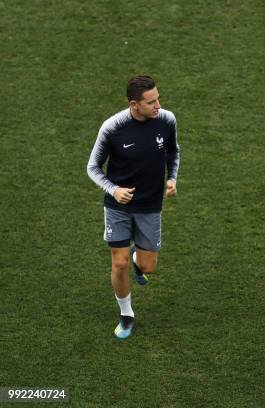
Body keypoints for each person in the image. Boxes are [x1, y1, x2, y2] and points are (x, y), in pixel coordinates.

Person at [87, 75, 180, 339]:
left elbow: (173, 152)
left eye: (158, 99)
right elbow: (92, 167)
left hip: (150, 205)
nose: (157, 106)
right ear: (134, 104)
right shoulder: (112, 128)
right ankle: (126, 314)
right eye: (151, 102)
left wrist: (172, 179)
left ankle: (139, 261)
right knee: (119, 263)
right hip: (118, 206)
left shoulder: (166, 120)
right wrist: (113, 190)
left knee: (148, 266)